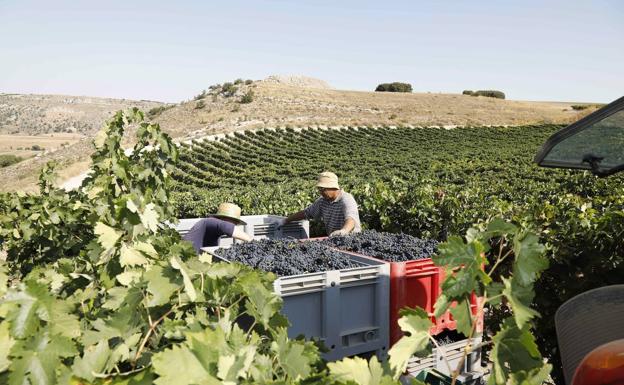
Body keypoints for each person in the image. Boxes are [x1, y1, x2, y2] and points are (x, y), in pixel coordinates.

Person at [277, 171, 361, 236]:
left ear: (333, 187)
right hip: (334, 240)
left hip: (352, 240)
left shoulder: (346, 199)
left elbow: (351, 219)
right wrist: (286, 220)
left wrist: (344, 231)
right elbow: (306, 213)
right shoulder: (322, 201)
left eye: (323, 189)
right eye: (319, 189)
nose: (321, 192)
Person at [183, 202, 252, 253]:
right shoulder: (209, 222)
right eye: (234, 221)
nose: (235, 224)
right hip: (185, 261)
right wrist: (251, 241)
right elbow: (227, 227)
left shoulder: (215, 232)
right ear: (224, 218)